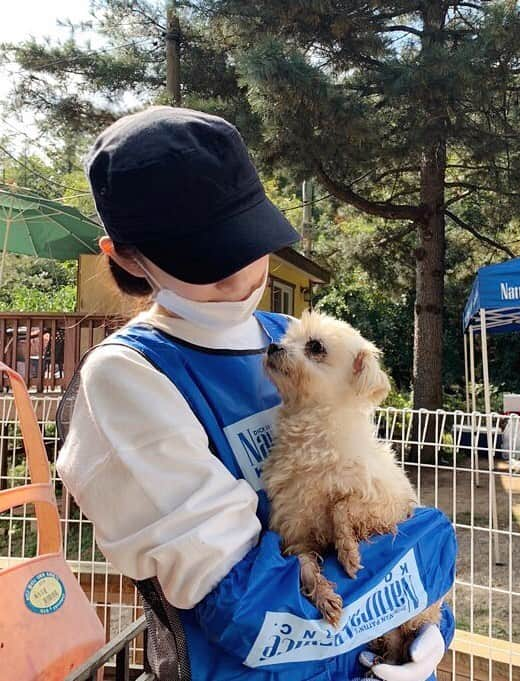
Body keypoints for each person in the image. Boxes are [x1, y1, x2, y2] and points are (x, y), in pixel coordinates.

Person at [56, 106, 455, 681]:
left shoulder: (285, 342)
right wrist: (428, 558)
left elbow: (384, 509)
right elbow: (251, 608)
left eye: (248, 238)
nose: (239, 269)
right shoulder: (128, 380)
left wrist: (429, 625)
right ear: (125, 257)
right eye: (204, 255)